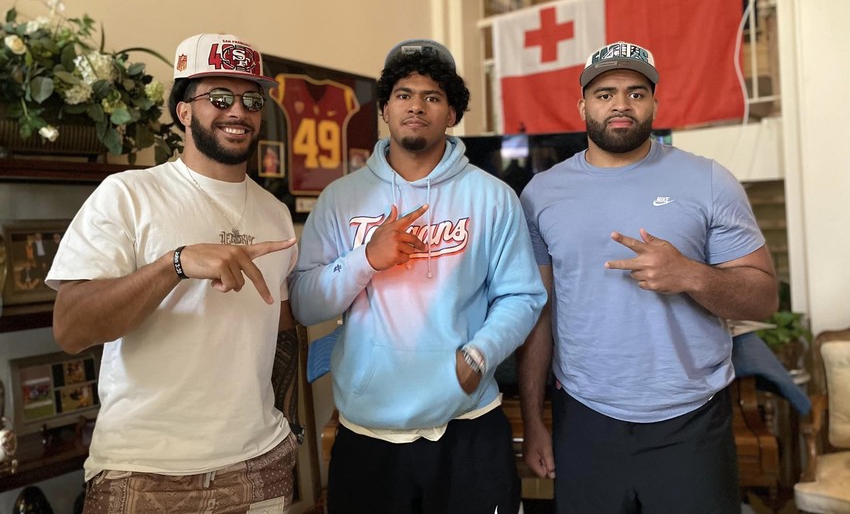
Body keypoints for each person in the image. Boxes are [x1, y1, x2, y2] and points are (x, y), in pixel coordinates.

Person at [517, 41, 778, 513]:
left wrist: (692, 276)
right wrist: (535, 420)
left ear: (655, 103)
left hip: (691, 419)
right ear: (582, 106)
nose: (620, 104)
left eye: (636, 92)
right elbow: (539, 312)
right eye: (605, 93)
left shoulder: (709, 181)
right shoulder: (541, 193)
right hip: (584, 417)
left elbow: (763, 298)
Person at [47, 33, 301, 513]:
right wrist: (175, 264)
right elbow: (71, 328)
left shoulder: (274, 213)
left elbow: (279, 327)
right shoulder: (127, 194)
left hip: (257, 464)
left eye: (251, 100)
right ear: (184, 112)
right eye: (219, 98)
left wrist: (289, 426)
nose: (238, 111)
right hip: (144, 471)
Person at [290, 38, 547, 514]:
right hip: (368, 429)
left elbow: (523, 296)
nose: (416, 107)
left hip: (467, 423)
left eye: (433, 97)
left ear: (451, 113)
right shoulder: (340, 199)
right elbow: (305, 303)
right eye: (404, 94)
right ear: (385, 108)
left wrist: (478, 355)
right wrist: (367, 258)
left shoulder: (493, 197)